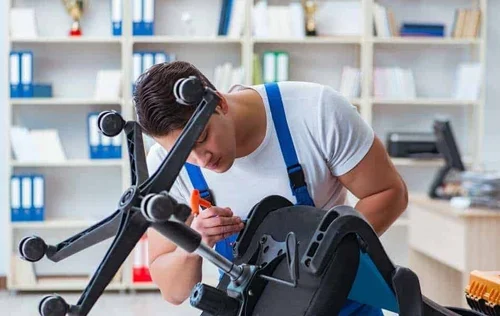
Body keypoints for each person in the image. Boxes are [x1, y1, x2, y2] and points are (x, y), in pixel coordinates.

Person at [134, 61, 408, 315]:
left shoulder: (316, 112)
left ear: (219, 103)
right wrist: (196, 244)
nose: (200, 160)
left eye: (202, 138)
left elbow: (389, 193)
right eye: (182, 153)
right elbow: (172, 290)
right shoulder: (164, 167)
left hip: (338, 302)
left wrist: (326, 257)